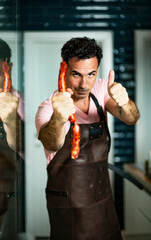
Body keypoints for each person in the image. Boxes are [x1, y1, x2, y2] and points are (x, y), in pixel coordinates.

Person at [35, 37, 140, 240]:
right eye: (76, 74)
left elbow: (132, 119)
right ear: (64, 69)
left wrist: (125, 102)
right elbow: (51, 143)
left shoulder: (100, 89)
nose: (84, 84)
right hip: (69, 208)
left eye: (91, 74)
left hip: (103, 200)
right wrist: (58, 117)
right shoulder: (48, 107)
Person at [0, 37, 24, 239]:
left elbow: (23, 145)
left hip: (7, 195)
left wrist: (11, 120)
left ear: (8, 68)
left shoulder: (20, 104)